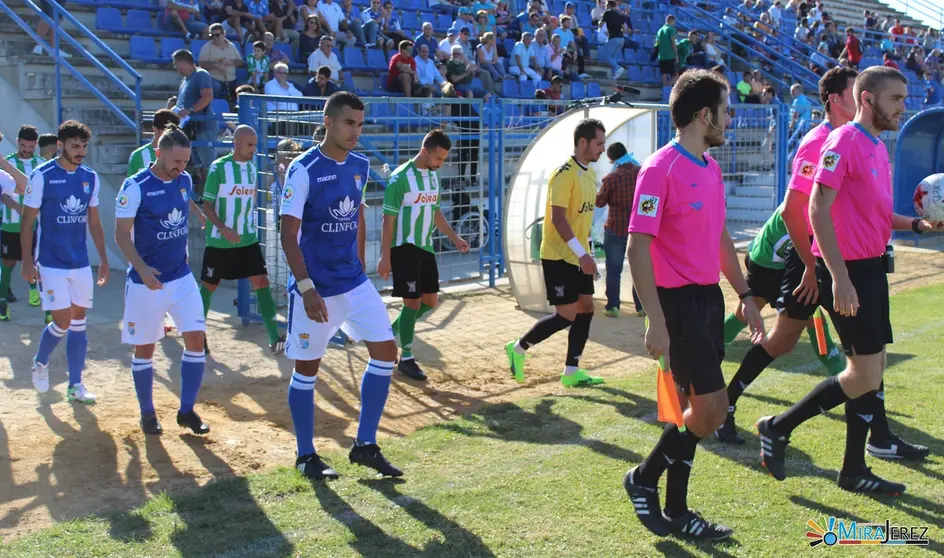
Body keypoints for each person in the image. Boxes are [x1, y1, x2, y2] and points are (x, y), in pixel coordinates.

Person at [756, 67, 940, 493]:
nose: (903, 107)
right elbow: (816, 209)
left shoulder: (876, 148)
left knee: (871, 373)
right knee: (861, 375)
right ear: (868, 100)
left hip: (871, 268)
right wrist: (838, 277)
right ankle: (779, 427)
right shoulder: (843, 142)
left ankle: (853, 469)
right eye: (896, 98)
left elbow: (877, 215)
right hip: (848, 271)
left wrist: (917, 224)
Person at [623, 69, 765, 540]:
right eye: (726, 111)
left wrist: (744, 295)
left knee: (693, 411)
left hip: (706, 300)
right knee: (711, 412)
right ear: (704, 115)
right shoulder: (659, 169)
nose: (730, 119)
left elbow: (720, 236)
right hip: (676, 307)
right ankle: (643, 478)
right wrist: (655, 322)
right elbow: (637, 249)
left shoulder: (711, 166)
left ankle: (678, 512)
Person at [280, 91, 402, 480]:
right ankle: (305, 456)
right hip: (316, 287)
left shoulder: (361, 165)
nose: (356, 131)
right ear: (329, 122)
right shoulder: (303, 169)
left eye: (361, 124)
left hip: (353, 281)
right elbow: (287, 234)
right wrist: (306, 286)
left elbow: (358, 214)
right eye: (349, 123)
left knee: (386, 353)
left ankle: (365, 445)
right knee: (307, 369)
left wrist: (362, 262)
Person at [115, 124, 210, 435]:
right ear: (158, 153)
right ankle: (147, 413)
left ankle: (186, 411)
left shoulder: (183, 180)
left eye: (185, 162)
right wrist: (142, 269)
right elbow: (121, 235)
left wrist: (197, 215)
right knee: (145, 349)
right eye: (176, 162)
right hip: (146, 282)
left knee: (196, 340)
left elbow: (183, 207)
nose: (181, 168)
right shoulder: (135, 185)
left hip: (180, 277)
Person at [504, 119, 607, 388]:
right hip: (558, 255)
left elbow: (582, 220)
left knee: (586, 308)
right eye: (598, 143)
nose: (602, 149)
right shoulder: (563, 174)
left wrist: (590, 253)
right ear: (582, 142)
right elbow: (559, 219)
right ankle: (518, 348)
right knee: (566, 315)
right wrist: (580, 254)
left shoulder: (591, 173)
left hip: (580, 254)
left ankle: (571, 371)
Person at [20, 120, 111, 402]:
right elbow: (27, 221)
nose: (81, 151)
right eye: (75, 146)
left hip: (80, 262)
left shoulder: (90, 177)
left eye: (84, 146)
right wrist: (26, 261)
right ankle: (41, 360)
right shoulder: (42, 175)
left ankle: (75, 385)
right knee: (62, 321)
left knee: (79, 321)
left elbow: (94, 223)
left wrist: (104, 259)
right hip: (50, 261)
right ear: (60, 145)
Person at [376, 130, 469, 381]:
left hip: (425, 246)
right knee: (413, 303)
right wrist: (385, 257)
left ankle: (388, 333)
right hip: (404, 247)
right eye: (438, 158)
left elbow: (436, 212)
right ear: (425, 151)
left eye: (444, 160)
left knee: (430, 301)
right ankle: (405, 358)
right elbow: (388, 220)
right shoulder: (400, 178)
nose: (441, 164)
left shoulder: (432, 177)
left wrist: (455, 238)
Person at [199, 126, 285, 355]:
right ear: (236, 143)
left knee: (262, 283)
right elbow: (207, 205)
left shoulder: (252, 169)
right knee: (208, 288)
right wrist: (224, 228)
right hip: (220, 241)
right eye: (250, 145)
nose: (253, 150)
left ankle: (274, 338)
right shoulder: (219, 168)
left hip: (247, 239)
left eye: (255, 145)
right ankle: (196, 337)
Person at [594, 141, 642, 318]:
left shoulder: (611, 178)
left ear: (612, 159)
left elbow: (599, 202)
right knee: (639, 269)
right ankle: (641, 307)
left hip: (615, 229)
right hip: (638, 230)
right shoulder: (641, 172)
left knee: (614, 270)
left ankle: (613, 306)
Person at [2, 125, 44, 316]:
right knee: (8, 261)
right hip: (10, 223)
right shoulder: (7, 163)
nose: (26, 149)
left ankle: (35, 292)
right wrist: (16, 206)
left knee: (33, 260)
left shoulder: (42, 164)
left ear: (36, 144)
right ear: (17, 142)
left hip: (34, 224)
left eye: (30, 146)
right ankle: (3, 303)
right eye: (23, 145)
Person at [172, 49, 216, 190]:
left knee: (207, 163)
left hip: (204, 126)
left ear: (183, 62)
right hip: (191, 128)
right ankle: (202, 193)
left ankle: (211, 194)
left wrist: (190, 110)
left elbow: (207, 96)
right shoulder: (186, 79)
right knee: (197, 164)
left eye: (176, 64)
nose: (176, 68)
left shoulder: (201, 75)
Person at [127, 110, 182, 177]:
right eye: (166, 132)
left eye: (173, 132)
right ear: (155, 129)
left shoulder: (180, 156)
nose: (170, 136)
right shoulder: (138, 156)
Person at [656, 15, 678, 86]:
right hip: (670, 55)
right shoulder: (671, 29)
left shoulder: (659, 30)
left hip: (661, 56)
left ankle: (664, 91)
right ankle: (666, 88)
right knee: (675, 76)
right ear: (672, 21)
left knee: (664, 74)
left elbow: (657, 43)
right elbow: (673, 42)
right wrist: (676, 55)